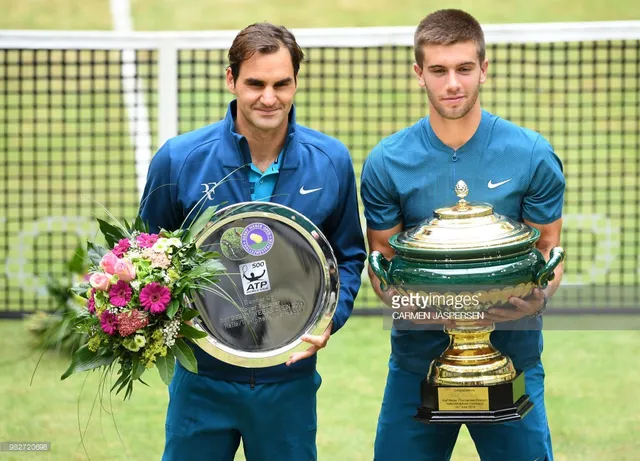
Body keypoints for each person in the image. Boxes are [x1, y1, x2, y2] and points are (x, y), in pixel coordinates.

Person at [139, 22, 366, 461]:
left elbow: (349, 256)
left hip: (289, 377)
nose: (269, 97)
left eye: (282, 83)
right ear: (231, 80)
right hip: (200, 379)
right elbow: (148, 256)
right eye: (255, 83)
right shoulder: (178, 159)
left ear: (296, 81)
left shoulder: (331, 161)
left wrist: (329, 320)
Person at [360, 9, 565, 461]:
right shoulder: (387, 161)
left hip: (511, 358)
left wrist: (538, 295)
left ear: (483, 69)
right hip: (418, 366)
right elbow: (381, 262)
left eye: (464, 69)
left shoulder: (530, 153)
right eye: (438, 70)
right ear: (419, 74)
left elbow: (548, 251)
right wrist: (411, 302)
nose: (452, 83)